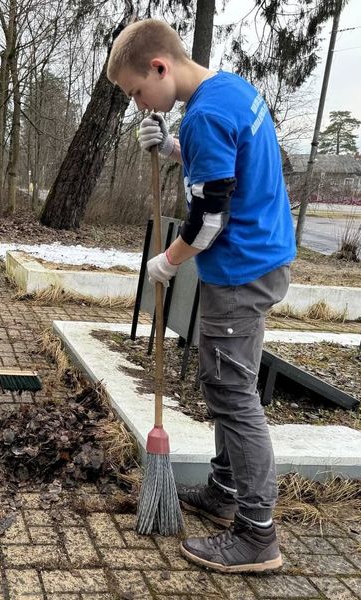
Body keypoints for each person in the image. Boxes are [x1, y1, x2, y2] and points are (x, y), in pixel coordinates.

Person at [107, 19, 295, 573]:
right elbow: (226, 168)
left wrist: (168, 260)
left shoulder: (206, 115)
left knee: (231, 392)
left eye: (137, 91)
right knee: (225, 379)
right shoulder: (229, 90)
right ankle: (223, 490)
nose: (139, 103)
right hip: (262, 256)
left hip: (240, 269)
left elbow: (210, 217)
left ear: (160, 67)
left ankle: (258, 534)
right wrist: (170, 146)